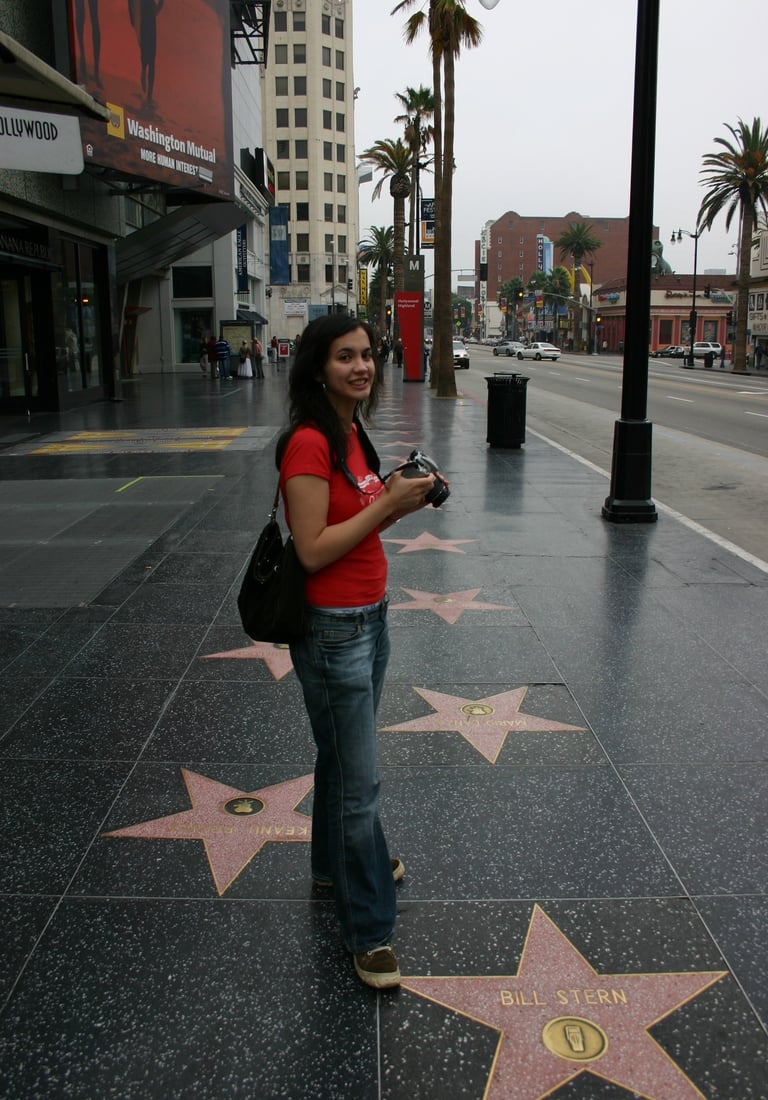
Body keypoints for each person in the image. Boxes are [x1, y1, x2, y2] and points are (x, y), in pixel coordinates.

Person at [277, 314, 437, 989]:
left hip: (370, 618)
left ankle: (330, 864)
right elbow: (313, 548)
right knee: (360, 784)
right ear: (318, 367)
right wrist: (385, 505)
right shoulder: (309, 443)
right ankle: (369, 930)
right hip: (333, 628)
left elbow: (364, 515)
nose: (362, 367)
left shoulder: (351, 432)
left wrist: (405, 496)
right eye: (345, 357)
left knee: (340, 758)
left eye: (368, 355)